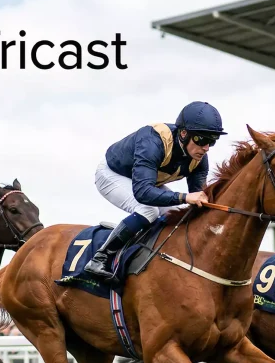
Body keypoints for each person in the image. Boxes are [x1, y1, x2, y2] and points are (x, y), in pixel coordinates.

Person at [83, 101, 225, 279]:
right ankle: (100, 258)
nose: (206, 148)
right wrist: (185, 197)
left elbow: (198, 202)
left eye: (212, 141)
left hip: (145, 182)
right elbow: (143, 193)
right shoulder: (153, 141)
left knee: (177, 215)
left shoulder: (199, 158)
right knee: (147, 210)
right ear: (183, 133)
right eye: (201, 139)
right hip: (112, 174)